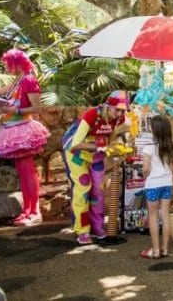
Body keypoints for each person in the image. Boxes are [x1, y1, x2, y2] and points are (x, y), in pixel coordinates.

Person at [0, 49, 50, 226]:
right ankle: (27, 211)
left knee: (28, 172)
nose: (6, 67)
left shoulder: (30, 80)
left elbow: (36, 108)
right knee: (24, 174)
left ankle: (35, 212)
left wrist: (13, 110)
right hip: (12, 129)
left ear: (17, 64)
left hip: (22, 130)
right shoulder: (19, 80)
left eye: (8, 64)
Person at [62, 90, 130, 245]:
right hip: (76, 152)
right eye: (117, 110)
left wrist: (116, 146)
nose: (120, 114)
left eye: (123, 110)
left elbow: (110, 138)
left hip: (96, 153)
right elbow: (76, 143)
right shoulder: (92, 115)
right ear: (108, 106)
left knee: (99, 190)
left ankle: (98, 227)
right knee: (83, 186)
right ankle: (82, 230)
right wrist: (99, 147)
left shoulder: (119, 119)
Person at [140, 115, 173, 259]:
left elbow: (145, 168)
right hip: (167, 183)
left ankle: (155, 250)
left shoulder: (148, 147)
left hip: (153, 184)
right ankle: (165, 249)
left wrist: (144, 177)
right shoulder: (171, 145)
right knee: (165, 215)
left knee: (153, 216)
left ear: (155, 130)